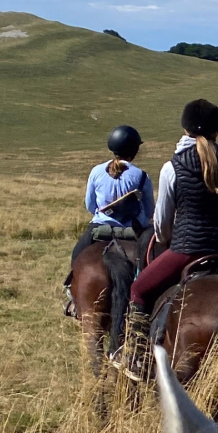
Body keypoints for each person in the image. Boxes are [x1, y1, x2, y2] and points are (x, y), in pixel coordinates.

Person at [112, 99, 218, 381]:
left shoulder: (172, 167)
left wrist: (170, 239)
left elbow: (162, 225)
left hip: (187, 250)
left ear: (184, 128)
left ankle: (137, 356)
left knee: (138, 289)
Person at [63, 125, 151, 314]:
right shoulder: (142, 176)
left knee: (77, 256)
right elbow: (149, 210)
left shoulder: (96, 171)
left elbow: (90, 205)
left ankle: (73, 298)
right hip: (131, 232)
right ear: (135, 150)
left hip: (98, 228)